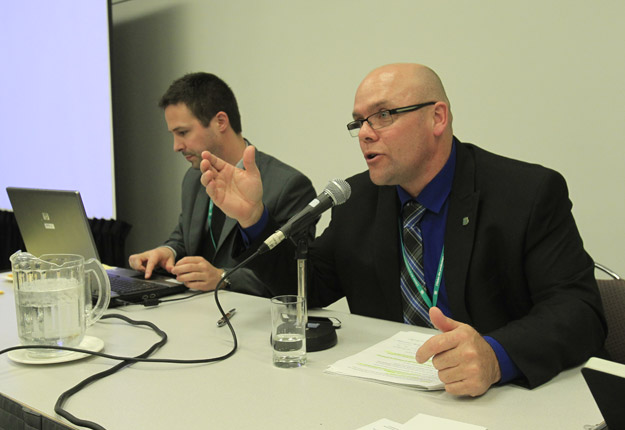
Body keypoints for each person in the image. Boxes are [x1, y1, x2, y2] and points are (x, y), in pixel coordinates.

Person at [199, 63, 606, 396]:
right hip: (389, 393)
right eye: (359, 121)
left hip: (500, 401)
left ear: (437, 117)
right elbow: (312, 289)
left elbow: (579, 311)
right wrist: (254, 218)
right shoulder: (357, 197)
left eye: (384, 115)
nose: (366, 133)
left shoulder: (525, 193)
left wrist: (496, 356)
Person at [128, 72, 316, 297]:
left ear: (220, 122)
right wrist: (166, 251)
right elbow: (184, 237)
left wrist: (223, 278)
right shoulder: (193, 178)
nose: (176, 146)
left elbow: (294, 275)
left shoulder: (289, 186)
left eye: (183, 133)